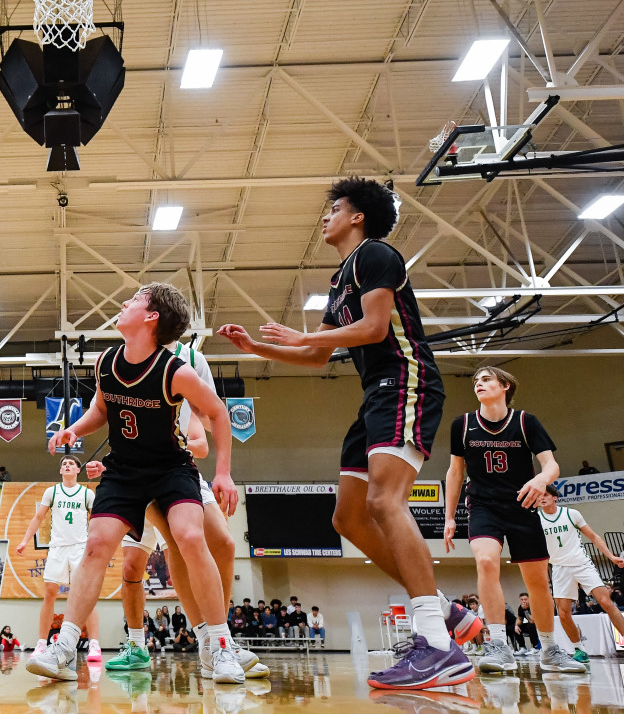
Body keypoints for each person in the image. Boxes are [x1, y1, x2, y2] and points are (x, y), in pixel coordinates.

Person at [219, 177, 476, 690]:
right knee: (348, 516)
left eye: (333, 208)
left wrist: (306, 334)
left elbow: (376, 328)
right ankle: (446, 613)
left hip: (406, 380)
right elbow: (316, 356)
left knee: (385, 502)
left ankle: (439, 644)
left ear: (357, 216)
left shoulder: (377, 254)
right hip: (375, 394)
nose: (325, 217)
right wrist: (257, 349)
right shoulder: (342, 279)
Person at [28, 283, 244, 684]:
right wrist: (72, 431)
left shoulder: (175, 371)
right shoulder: (107, 361)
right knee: (96, 544)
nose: (124, 302)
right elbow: (100, 409)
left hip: (170, 468)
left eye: (135, 300)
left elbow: (218, 412)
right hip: (124, 470)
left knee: (191, 538)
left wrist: (224, 472)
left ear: (151, 318)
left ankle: (221, 646)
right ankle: (63, 649)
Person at [103, 334, 265, 681]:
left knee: (221, 542)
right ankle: (146, 644)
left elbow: (208, 420)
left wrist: (218, 465)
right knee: (139, 563)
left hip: (178, 468)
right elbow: (104, 413)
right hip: (136, 475)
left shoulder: (188, 360)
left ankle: (218, 641)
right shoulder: (120, 358)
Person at [444, 365, 584, 674]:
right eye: (476, 380)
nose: (479, 384)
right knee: (486, 562)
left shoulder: (526, 422)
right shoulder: (463, 425)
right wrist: (449, 515)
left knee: (537, 582)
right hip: (483, 506)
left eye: (486, 379)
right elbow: (455, 472)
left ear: (505, 385)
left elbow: (551, 466)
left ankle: (549, 650)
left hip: (523, 505)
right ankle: (498, 646)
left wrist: (539, 481)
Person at [15, 455, 101, 660]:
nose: (67, 465)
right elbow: (38, 517)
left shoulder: (87, 494)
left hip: (80, 547)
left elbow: (97, 519)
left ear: (78, 470)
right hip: (58, 548)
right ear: (61, 471)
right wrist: (25, 540)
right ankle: (42, 643)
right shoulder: (51, 492)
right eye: (64, 464)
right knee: (49, 593)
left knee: (85, 596)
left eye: (71, 463)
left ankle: (94, 645)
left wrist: (97, 545)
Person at [539, 485, 624, 663]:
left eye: (546, 494)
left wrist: (611, 557)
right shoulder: (536, 519)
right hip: (560, 568)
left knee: (606, 602)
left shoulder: (571, 514)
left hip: (581, 564)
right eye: (540, 496)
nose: (542, 498)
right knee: (563, 614)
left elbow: (593, 536)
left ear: (555, 497)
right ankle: (579, 649)